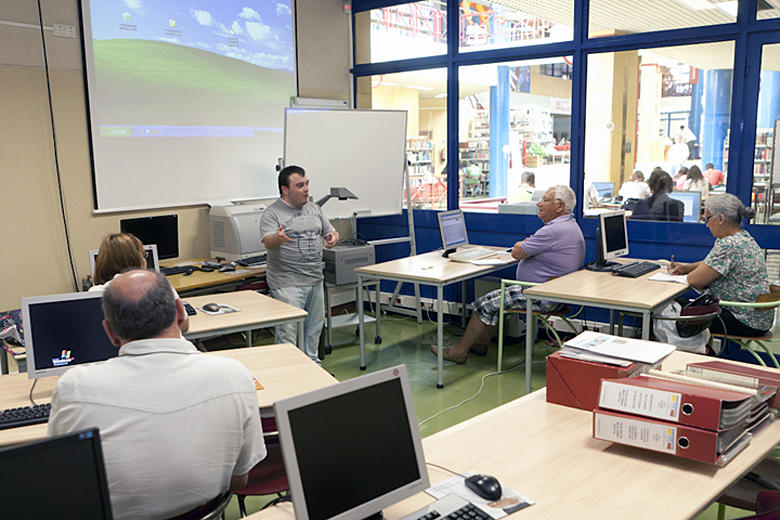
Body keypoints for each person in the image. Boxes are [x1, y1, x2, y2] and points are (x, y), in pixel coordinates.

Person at [48, 270, 266, 519]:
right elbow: (239, 480)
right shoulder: (235, 376)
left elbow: (64, 481)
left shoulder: (74, 387)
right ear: (180, 311)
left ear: (110, 332)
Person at [431, 185, 585, 364]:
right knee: (494, 301)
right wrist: (525, 245)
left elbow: (517, 252)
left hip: (539, 295)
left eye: (545, 200)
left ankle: (459, 352)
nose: (539, 204)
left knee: (483, 303)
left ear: (560, 206)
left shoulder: (552, 230)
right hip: (554, 292)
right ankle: (480, 344)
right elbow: (525, 248)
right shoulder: (568, 226)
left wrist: (523, 244)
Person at [260, 165, 338, 363]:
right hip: (288, 283)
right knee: (288, 333)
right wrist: (278, 239)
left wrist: (332, 237)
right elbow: (268, 241)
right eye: (300, 185)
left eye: (307, 184)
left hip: (314, 280)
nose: (306, 189)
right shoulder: (272, 213)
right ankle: (287, 373)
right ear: (285, 189)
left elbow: (332, 231)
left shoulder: (315, 209)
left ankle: (312, 369)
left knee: (314, 331)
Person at [669, 194, 771, 337]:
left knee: (668, 312)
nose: (706, 224)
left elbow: (694, 281)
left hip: (743, 320)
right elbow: (713, 263)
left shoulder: (728, 244)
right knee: (679, 306)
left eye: (707, 219)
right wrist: (688, 267)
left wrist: (690, 273)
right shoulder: (742, 237)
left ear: (721, 219)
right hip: (756, 317)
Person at [90, 232, 189, 333]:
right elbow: (184, 325)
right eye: (144, 256)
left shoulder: (94, 293)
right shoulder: (160, 286)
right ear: (136, 259)